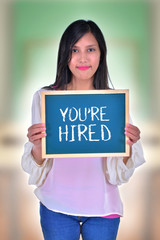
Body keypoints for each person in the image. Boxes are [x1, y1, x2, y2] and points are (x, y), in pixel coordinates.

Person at [22, 19, 145, 240]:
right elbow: (38, 165)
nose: (83, 58)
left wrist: (128, 147)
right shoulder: (44, 99)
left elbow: (120, 174)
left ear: (101, 54)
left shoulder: (114, 102)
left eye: (90, 49)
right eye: (74, 50)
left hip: (104, 209)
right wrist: (37, 149)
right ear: (64, 55)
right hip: (55, 207)